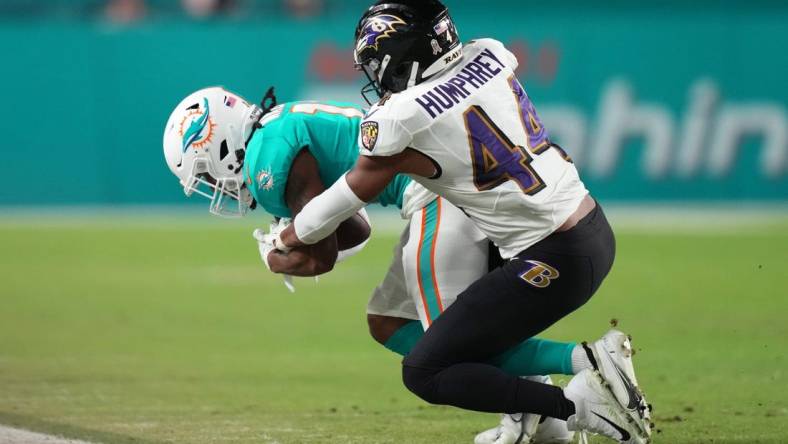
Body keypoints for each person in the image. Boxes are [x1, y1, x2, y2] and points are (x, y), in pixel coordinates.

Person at [264, 1, 653, 442]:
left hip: (551, 258)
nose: (376, 77)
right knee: (461, 339)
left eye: (376, 64)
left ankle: (576, 404)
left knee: (426, 368)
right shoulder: (490, 54)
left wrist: (288, 234)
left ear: (402, 57)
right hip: (591, 227)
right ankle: (545, 421)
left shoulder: (402, 116)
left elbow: (346, 195)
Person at [162, 86, 642, 443]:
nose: (215, 185)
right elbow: (354, 228)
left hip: (436, 197)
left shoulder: (267, 156)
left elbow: (325, 250)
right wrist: (295, 242)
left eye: (204, 171)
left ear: (217, 144)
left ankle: (585, 366)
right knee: (388, 322)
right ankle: (537, 417)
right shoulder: (277, 127)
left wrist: (278, 257)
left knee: (449, 347)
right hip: (430, 196)